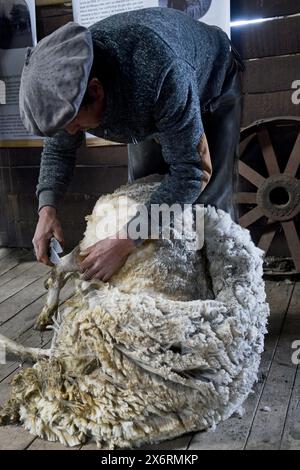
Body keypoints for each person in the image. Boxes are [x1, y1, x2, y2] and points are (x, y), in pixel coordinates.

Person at [19, 7, 243, 282]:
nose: (72, 132)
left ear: (95, 90)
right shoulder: (70, 87)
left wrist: (125, 240)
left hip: (211, 90)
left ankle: (221, 297)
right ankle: (152, 286)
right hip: (143, 104)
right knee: (139, 198)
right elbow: (59, 146)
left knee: (209, 209)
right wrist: (47, 209)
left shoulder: (159, 70)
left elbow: (191, 172)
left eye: (75, 124)